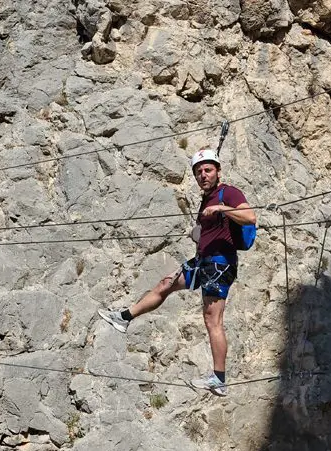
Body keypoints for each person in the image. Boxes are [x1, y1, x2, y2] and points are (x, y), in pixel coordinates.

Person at [98, 149, 256, 396]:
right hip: (202, 261)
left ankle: (219, 379)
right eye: (198, 172)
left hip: (220, 263)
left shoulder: (229, 193)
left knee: (212, 319)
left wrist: (221, 208)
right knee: (166, 284)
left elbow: (250, 216)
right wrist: (198, 232)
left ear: (218, 171)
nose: (203, 175)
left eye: (208, 170)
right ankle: (124, 318)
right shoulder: (206, 200)